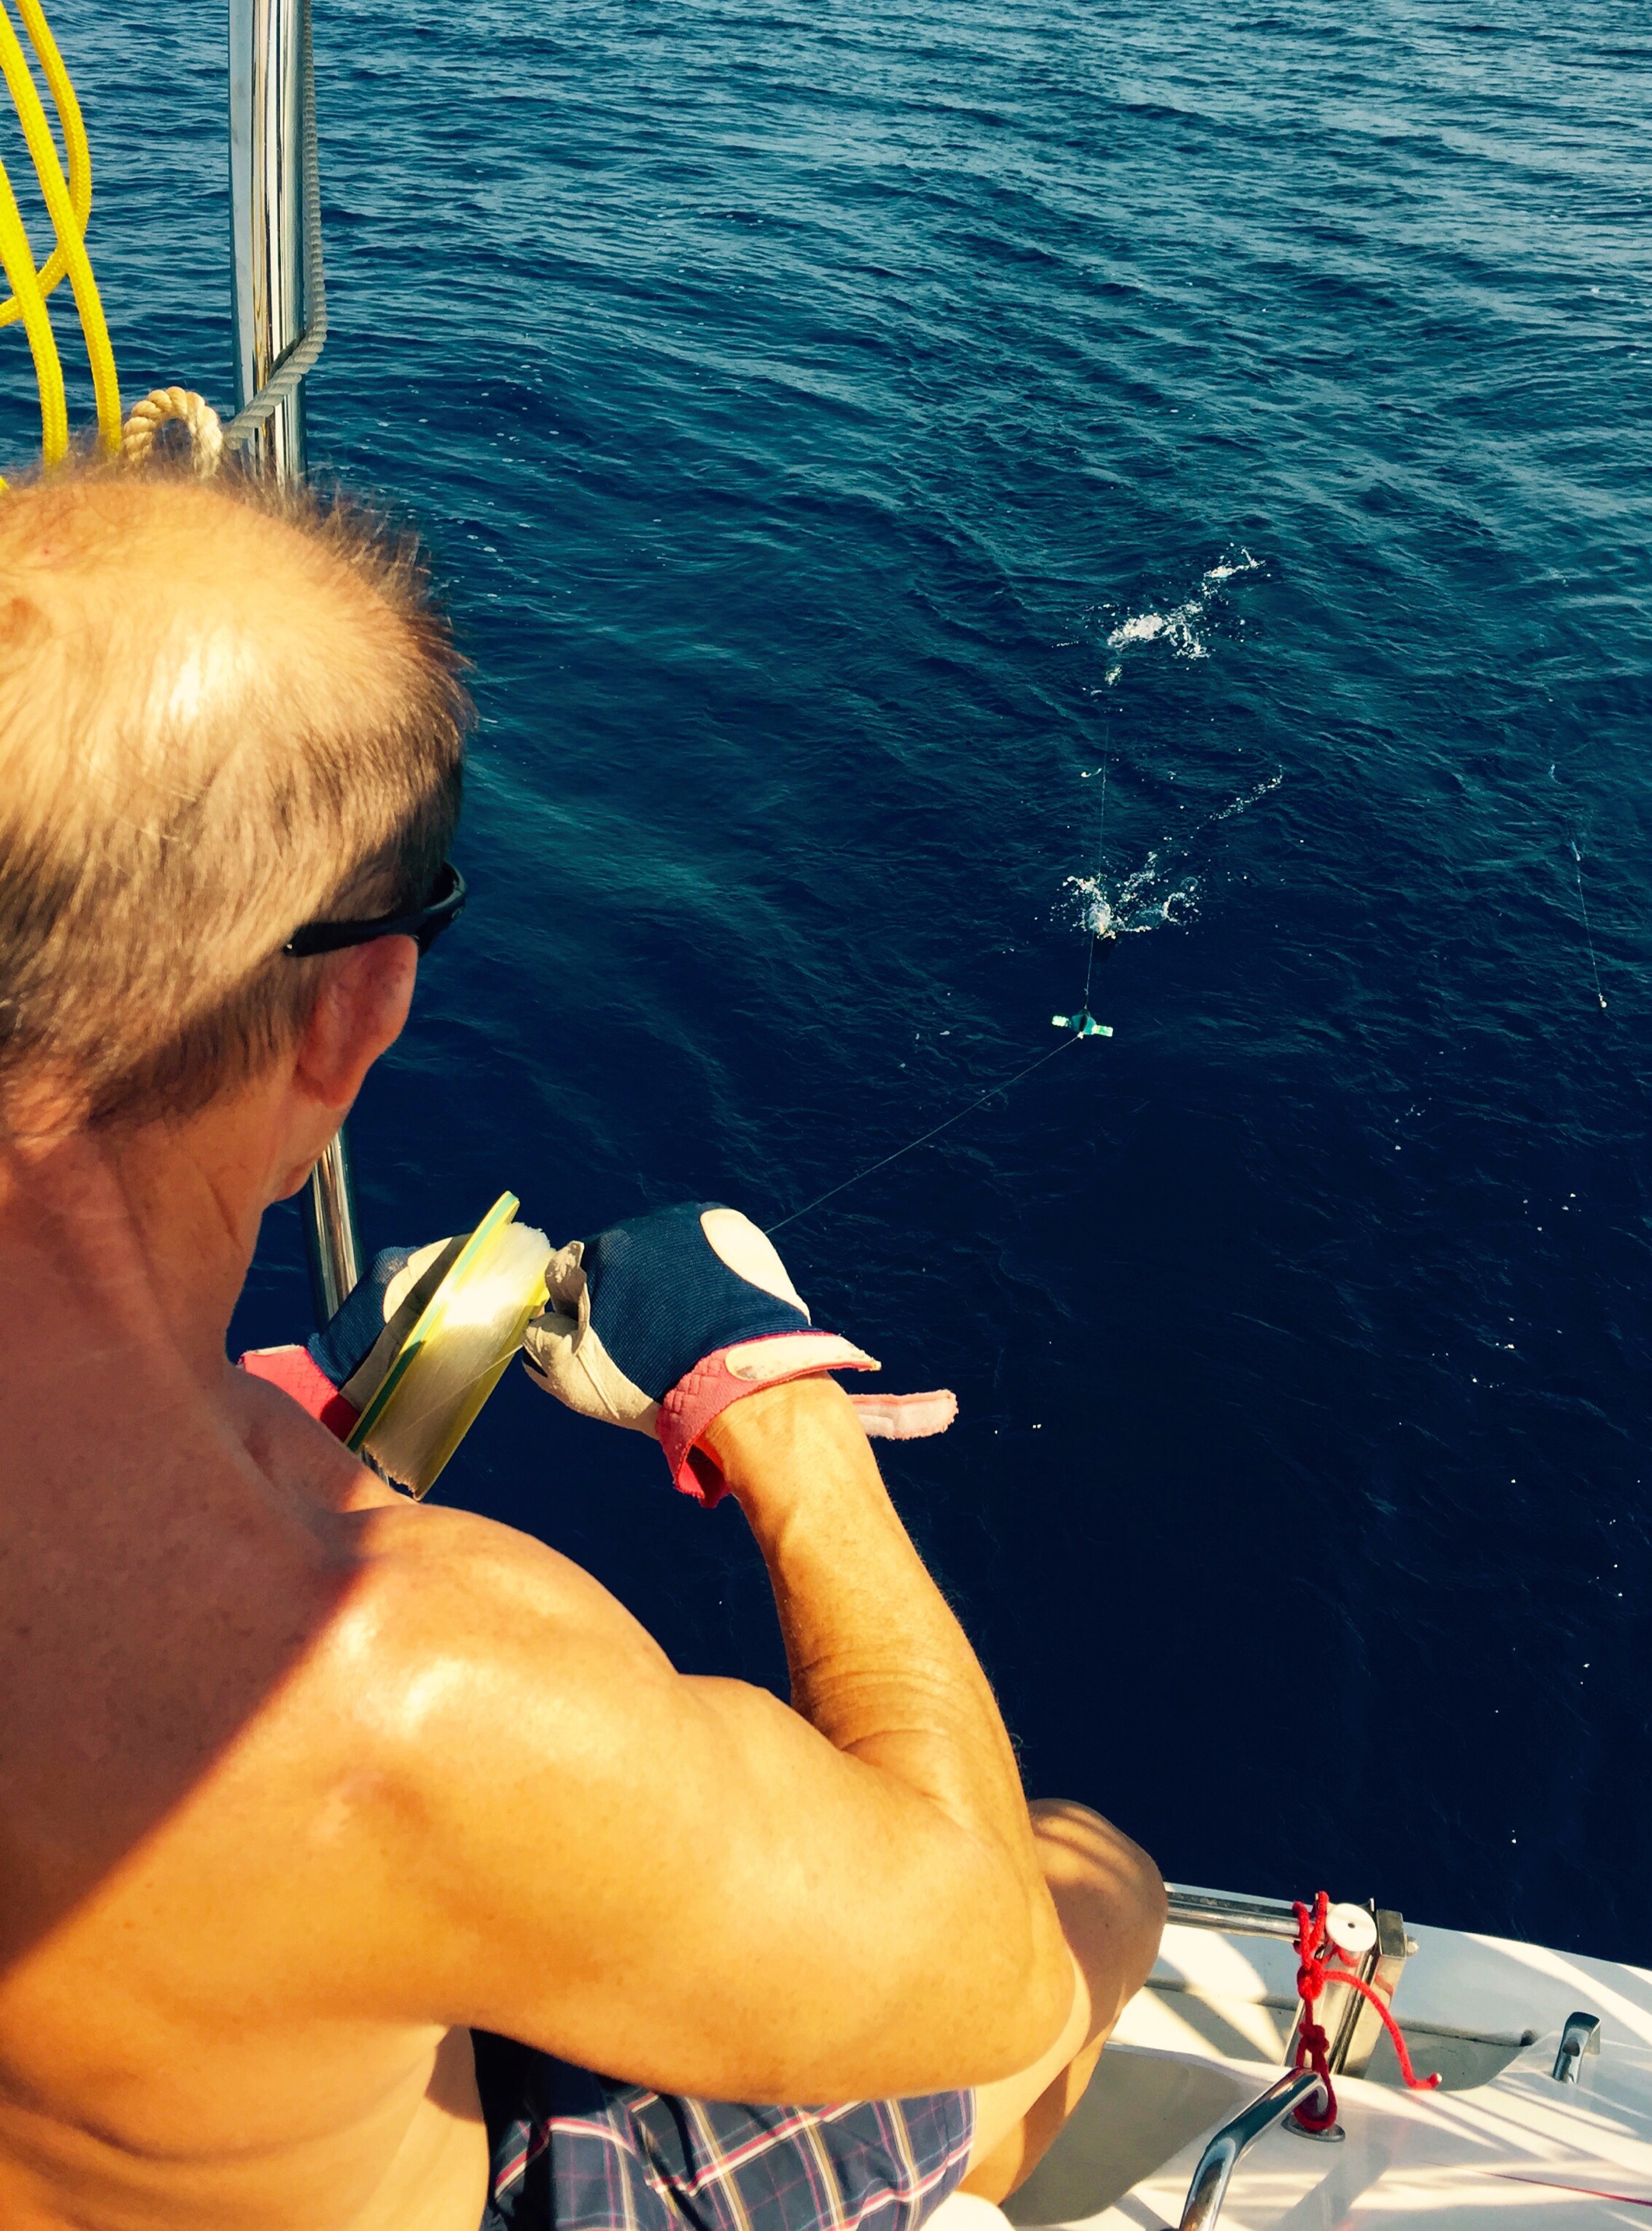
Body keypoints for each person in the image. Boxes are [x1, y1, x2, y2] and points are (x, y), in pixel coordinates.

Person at [0, 464, 1165, 2231]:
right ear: (358, 1005)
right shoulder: (412, 1697)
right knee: (1096, 1888)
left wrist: (316, 1412)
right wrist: (772, 1406)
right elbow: (981, 1963)